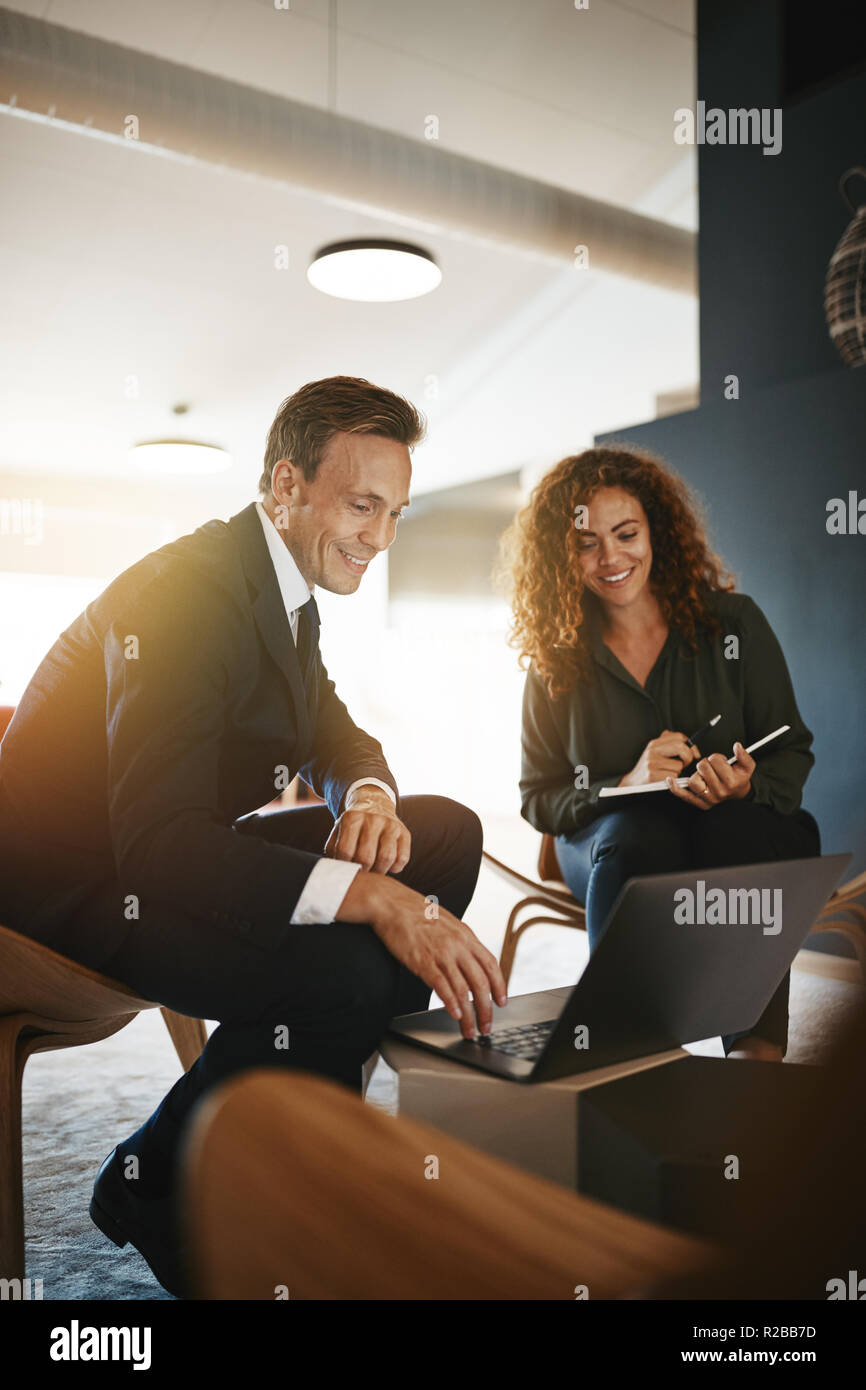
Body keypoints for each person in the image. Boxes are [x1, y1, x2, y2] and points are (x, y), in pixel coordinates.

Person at [0, 375, 506, 1296]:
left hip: (166, 852)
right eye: (362, 506)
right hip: (73, 891)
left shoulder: (283, 587)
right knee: (347, 964)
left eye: (394, 512)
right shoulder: (186, 596)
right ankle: (179, 1191)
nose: (380, 539)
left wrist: (368, 798)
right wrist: (371, 898)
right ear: (286, 484)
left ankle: (210, 1153)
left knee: (445, 835)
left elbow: (334, 730)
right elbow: (155, 845)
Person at [500, 446, 820, 1063]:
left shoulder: (734, 625)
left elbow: (792, 751)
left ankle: (754, 1055)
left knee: (736, 832)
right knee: (634, 834)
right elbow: (538, 794)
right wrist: (622, 781)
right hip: (609, 848)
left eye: (626, 534)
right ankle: (636, 1052)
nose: (611, 558)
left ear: (657, 533)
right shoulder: (555, 657)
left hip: (733, 833)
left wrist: (745, 786)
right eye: (587, 542)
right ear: (562, 554)